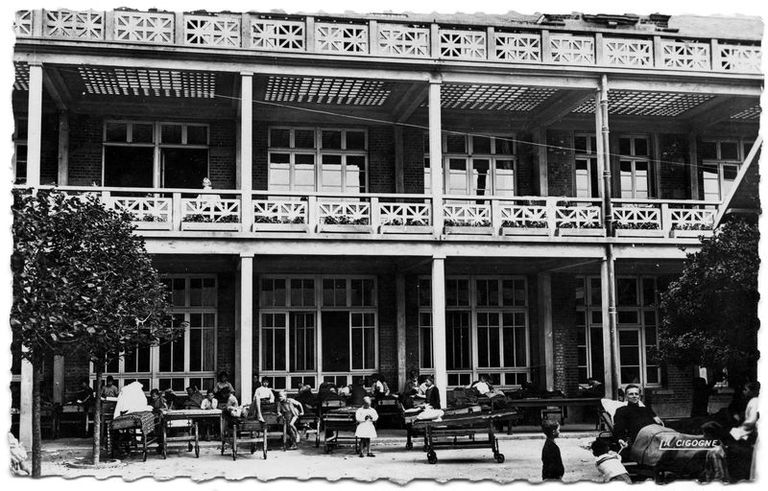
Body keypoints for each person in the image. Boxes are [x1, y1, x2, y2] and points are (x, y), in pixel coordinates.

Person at [728, 381, 759, 481]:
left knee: (734, 450)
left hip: (752, 434)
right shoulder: (752, 401)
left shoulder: (754, 401)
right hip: (749, 432)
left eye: (746, 390)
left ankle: (738, 475)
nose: (743, 392)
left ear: (752, 391)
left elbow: (750, 422)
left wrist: (736, 432)